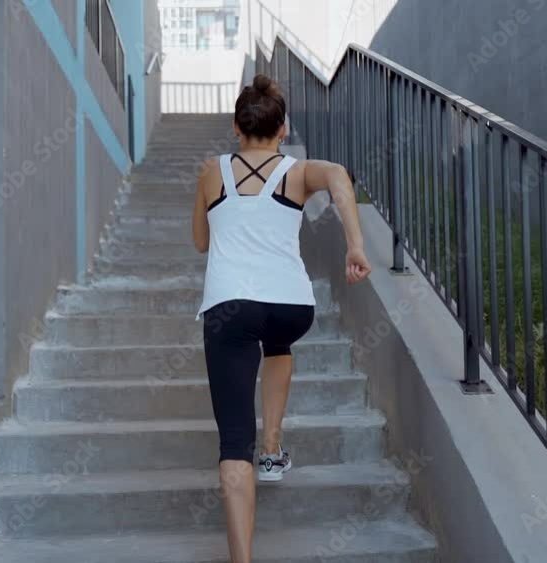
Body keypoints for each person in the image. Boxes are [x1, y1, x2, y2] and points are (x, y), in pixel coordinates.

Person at [191, 74, 372, 563]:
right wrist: (355, 244)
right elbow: (337, 174)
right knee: (274, 342)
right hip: (292, 308)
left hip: (231, 309)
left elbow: (201, 242)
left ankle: (243, 556)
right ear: (283, 127)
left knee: (233, 445)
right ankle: (271, 447)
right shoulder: (295, 172)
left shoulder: (212, 172)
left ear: (235, 127)